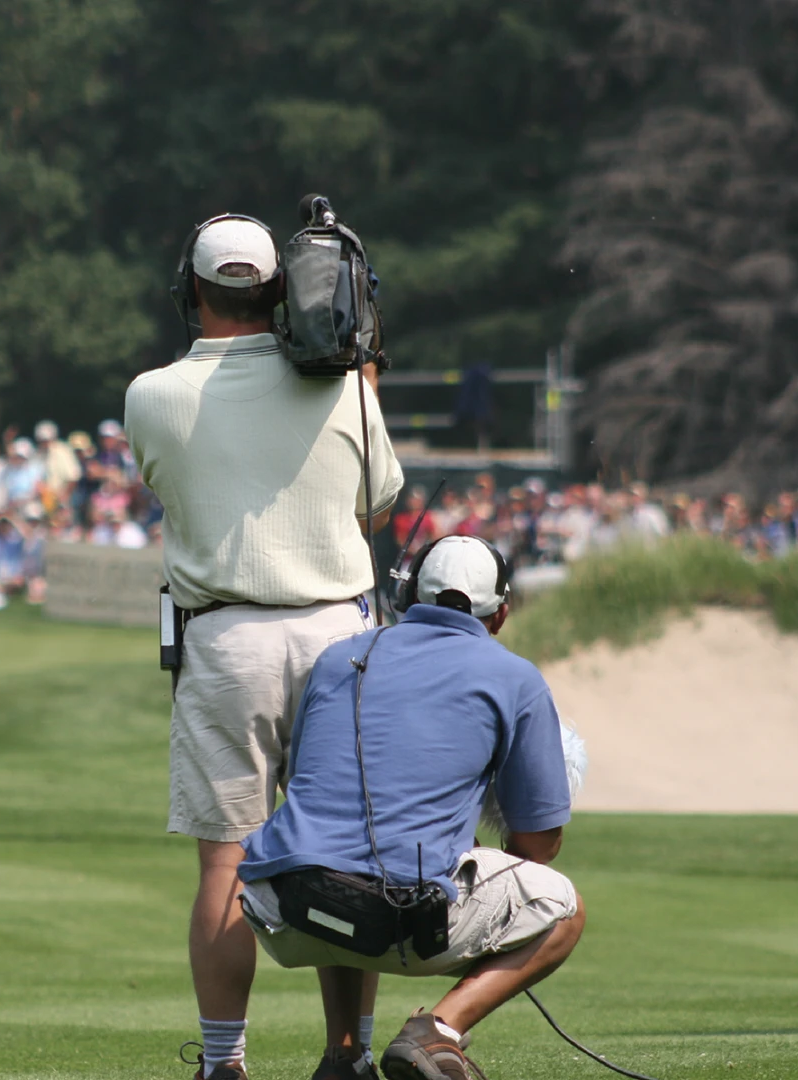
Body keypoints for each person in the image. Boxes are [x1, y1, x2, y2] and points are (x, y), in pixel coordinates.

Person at [124, 214, 403, 1080]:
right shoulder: (343, 387)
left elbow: (164, 479)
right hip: (339, 636)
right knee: (346, 860)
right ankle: (345, 1054)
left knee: (226, 860)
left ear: (191, 292)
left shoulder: (152, 394)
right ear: (278, 289)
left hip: (228, 637)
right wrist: (363, 372)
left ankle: (222, 1063)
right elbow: (379, 498)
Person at [238, 535, 584, 1080]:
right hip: (400, 922)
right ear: (501, 613)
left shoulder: (338, 657)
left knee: (332, 852)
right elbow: (538, 845)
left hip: (279, 908)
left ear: (406, 599)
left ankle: (344, 1058)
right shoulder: (516, 677)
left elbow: (310, 787)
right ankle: (437, 1032)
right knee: (564, 908)